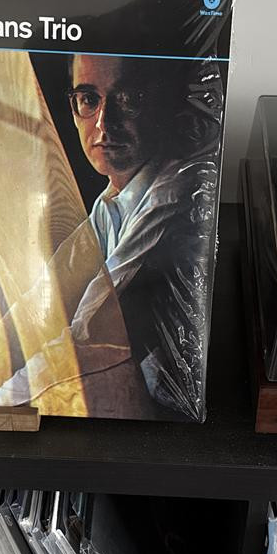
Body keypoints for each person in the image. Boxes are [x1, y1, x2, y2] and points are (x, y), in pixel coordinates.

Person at [66, 54, 220, 420]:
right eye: (88, 99)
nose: (103, 124)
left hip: (164, 419)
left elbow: (89, 334)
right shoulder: (111, 200)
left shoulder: (173, 195)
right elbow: (48, 289)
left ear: (162, 103)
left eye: (128, 100)